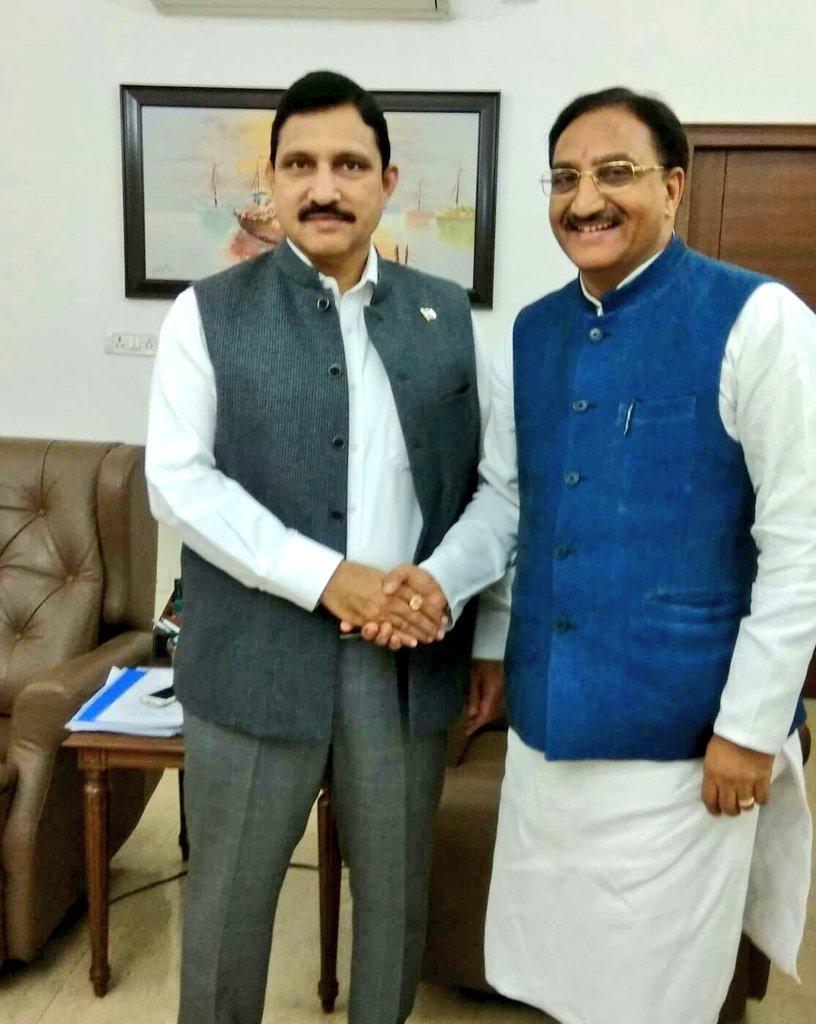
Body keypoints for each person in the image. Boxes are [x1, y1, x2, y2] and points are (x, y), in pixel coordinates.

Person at [468, 87, 816, 1024]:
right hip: (546, 727)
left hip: (683, 740)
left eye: (615, 173)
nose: (584, 200)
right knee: (553, 973)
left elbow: (808, 545)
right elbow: (517, 504)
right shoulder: (531, 331)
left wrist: (749, 730)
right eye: (563, 178)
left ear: (673, 187)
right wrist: (489, 644)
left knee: (652, 992)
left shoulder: (760, 321)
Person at [145, 70, 513, 1024]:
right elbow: (178, 481)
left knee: (394, 910)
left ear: (386, 180)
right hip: (253, 667)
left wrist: (449, 594)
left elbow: (496, 488)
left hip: (405, 671)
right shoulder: (206, 314)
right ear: (269, 180)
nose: (324, 187)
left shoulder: (448, 318)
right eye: (300, 164)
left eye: (349, 165)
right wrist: (328, 579)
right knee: (226, 915)